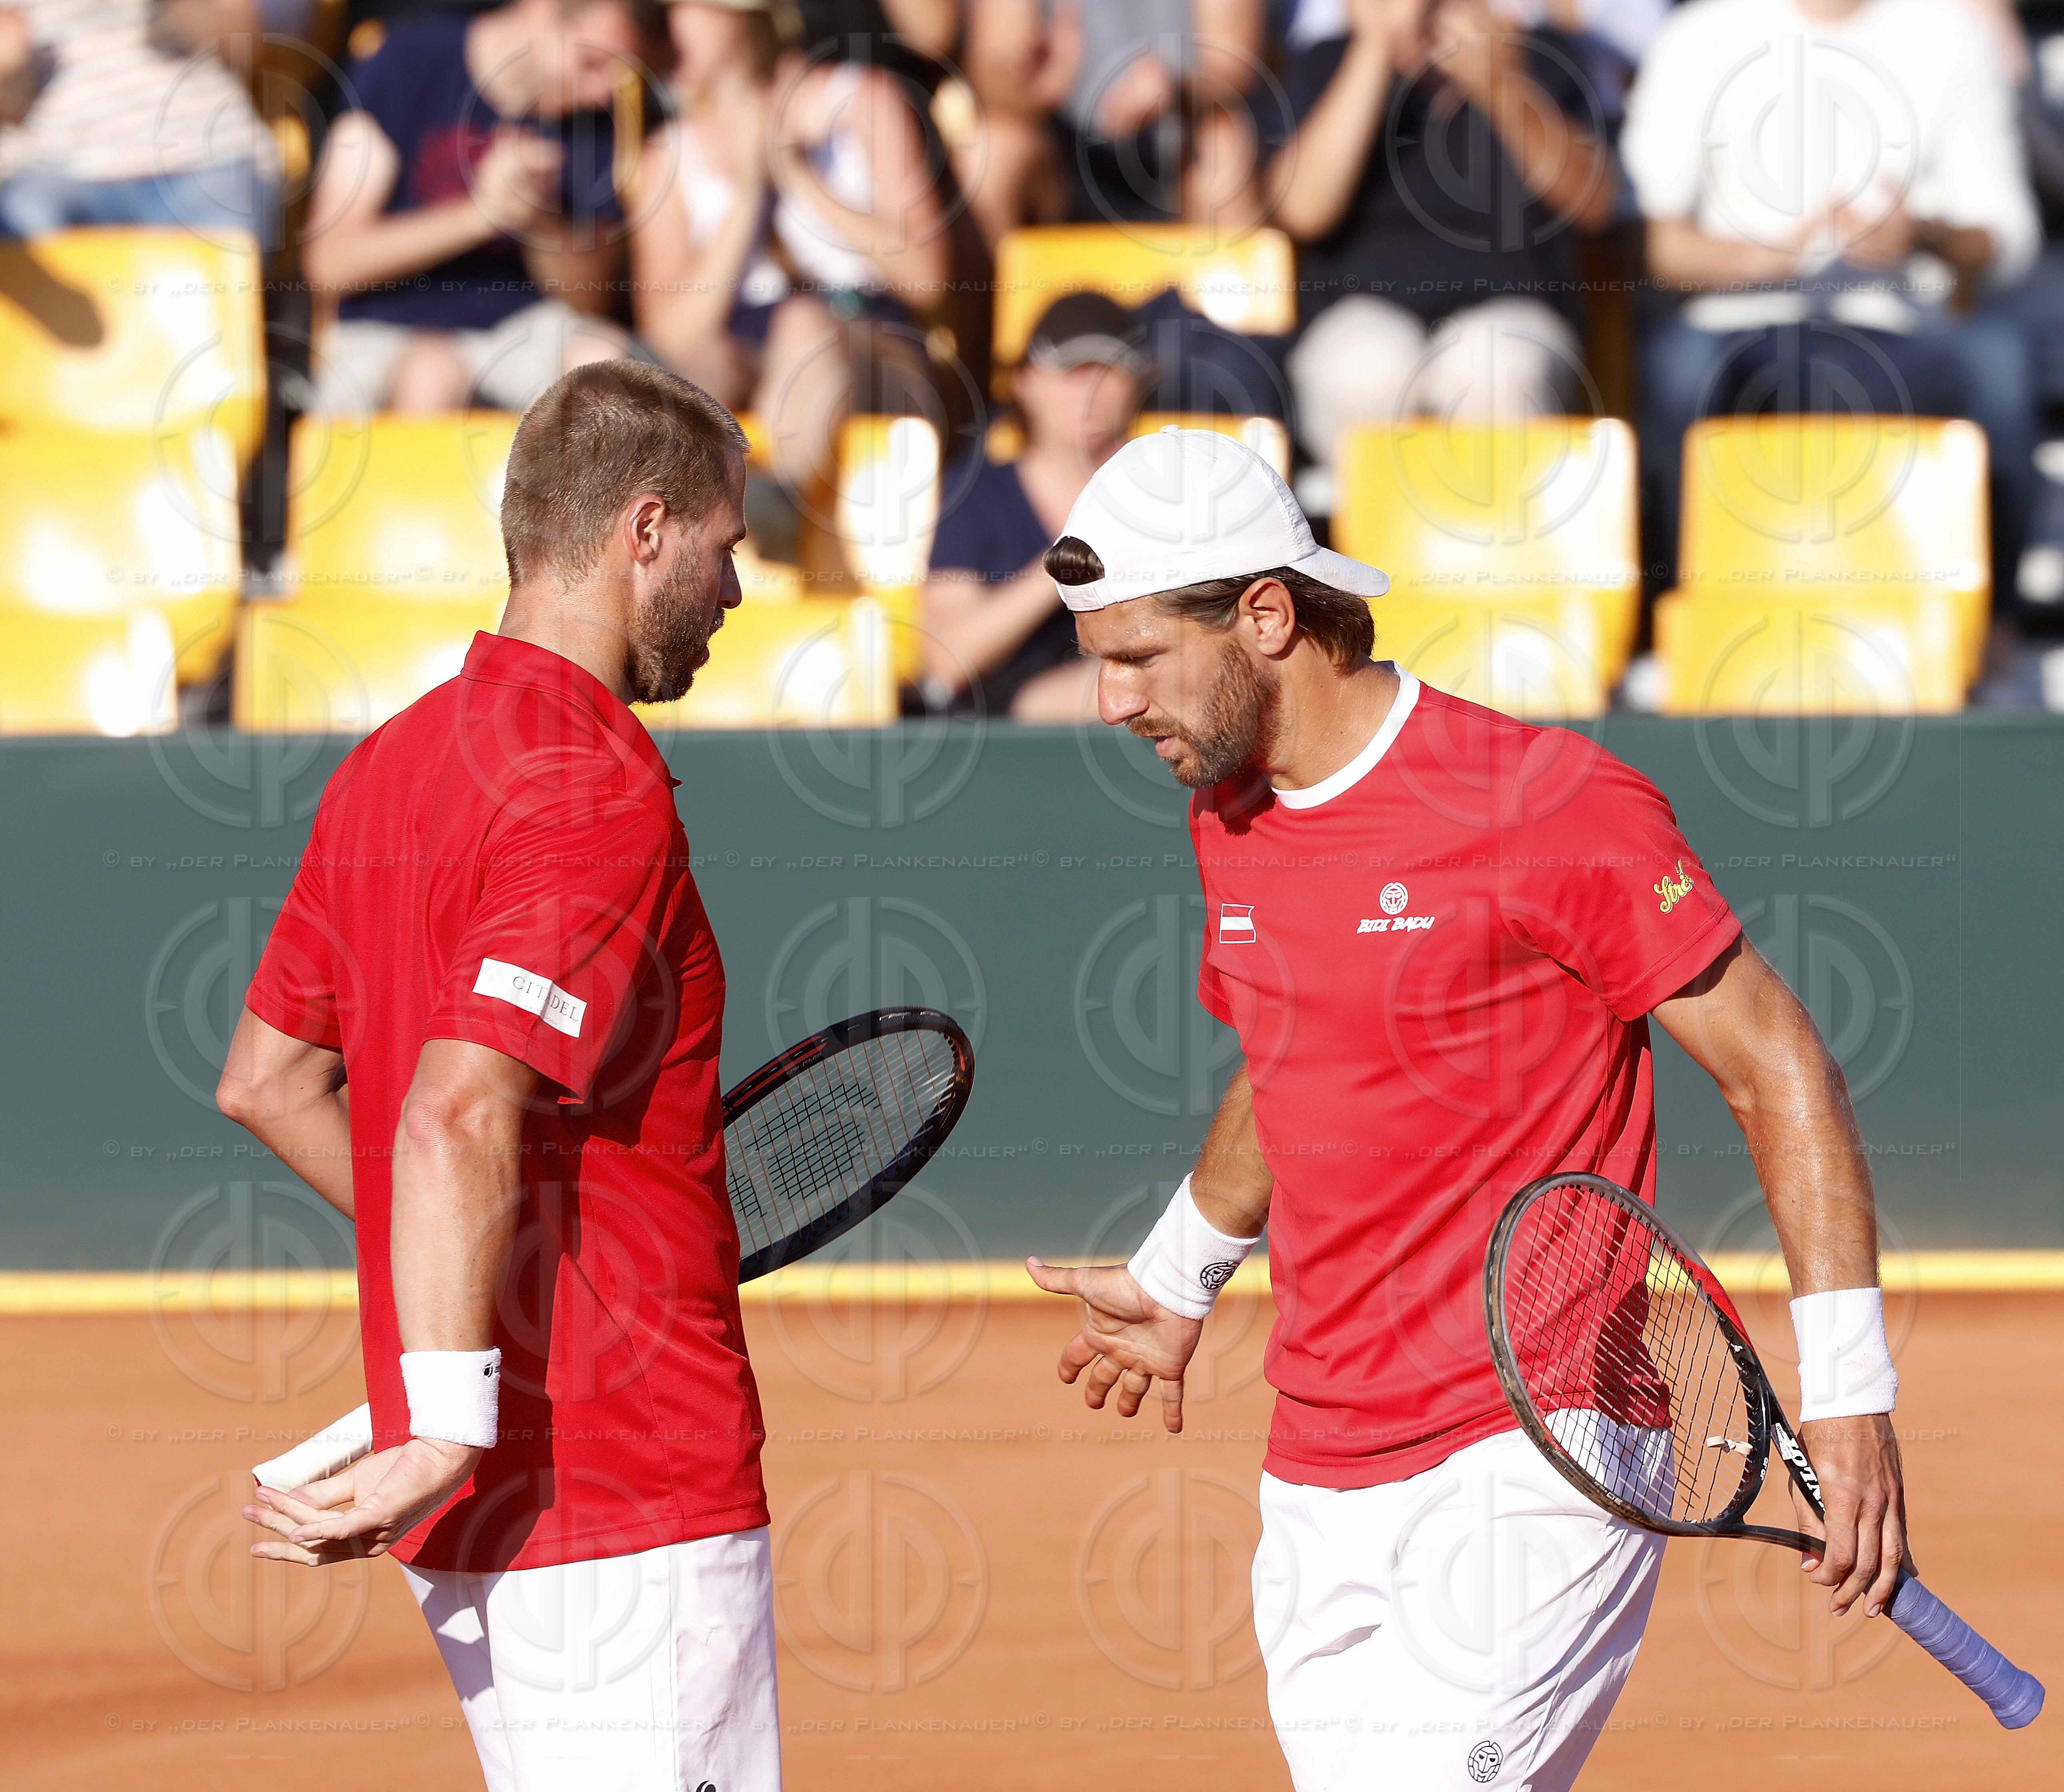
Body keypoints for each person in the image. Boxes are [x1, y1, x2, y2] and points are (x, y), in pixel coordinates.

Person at [1025, 428, 1913, 1788]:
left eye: (1138, 655)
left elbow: (1780, 1068)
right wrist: (1180, 1272)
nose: (1109, 701)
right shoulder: (1230, 814)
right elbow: (1291, 1056)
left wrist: (1848, 1395)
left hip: (1541, 1449)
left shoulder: (1547, 804)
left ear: (1265, 616)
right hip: (1319, 1462)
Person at [220, 361, 779, 1792]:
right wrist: (451, 1416)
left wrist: (460, 1287)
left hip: (485, 1529)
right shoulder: (594, 778)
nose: (736, 587)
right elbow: (457, 1107)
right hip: (622, 1488)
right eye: (726, 545)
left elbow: (269, 1082)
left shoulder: (388, 765)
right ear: (645, 528)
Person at [1621, 0, 2041, 596]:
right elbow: (1644, 242)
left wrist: (1923, 234)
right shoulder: (1699, 35)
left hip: (1904, 332)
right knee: (1678, 370)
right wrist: (1769, 258)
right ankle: (1679, 611)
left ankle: (1990, 626)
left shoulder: (1950, 33)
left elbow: (2008, 239)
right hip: (1734, 326)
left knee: (1999, 363)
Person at [1266, 0, 1616, 507]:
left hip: (1513, 313)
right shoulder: (1327, 60)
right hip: (1361, 316)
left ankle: (1493, 555)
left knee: (1493, 369)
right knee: (1365, 371)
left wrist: (1501, 83)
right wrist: (1375, 50)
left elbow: (1594, 205)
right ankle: (1374, 555)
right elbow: (1301, 210)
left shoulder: (1541, 55)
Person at [630, 0, 949, 498]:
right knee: (690, 369)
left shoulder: (861, 99)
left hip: (872, 336)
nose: (664, 28)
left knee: (802, 325)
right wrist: (749, 191)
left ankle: (778, 500)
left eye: (681, 8)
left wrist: (799, 174)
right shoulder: (667, 152)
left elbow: (928, 280)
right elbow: (670, 336)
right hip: (748, 342)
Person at [299, 0, 641, 417]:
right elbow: (330, 265)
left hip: (524, 330)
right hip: (388, 333)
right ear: (542, 11)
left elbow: (592, 301)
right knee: (432, 374)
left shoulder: (593, 120)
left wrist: (540, 221)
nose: (603, 91)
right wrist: (481, 215)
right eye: (591, 64)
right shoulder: (405, 62)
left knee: (602, 367)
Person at [920, 290, 1149, 719]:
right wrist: (1069, 560)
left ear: (1137, 385)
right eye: (1072, 371)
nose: (1091, 391)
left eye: (1109, 371)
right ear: (1025, 382)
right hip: (1008, 717)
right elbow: (947, 659)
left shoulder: (1164, 487)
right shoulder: (976, 492)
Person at [0, 0, 280, 247]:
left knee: (221, 276)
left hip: (202, 154)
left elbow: (245, 46)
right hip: (48, 167)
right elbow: (9, 103)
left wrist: (187, 8)